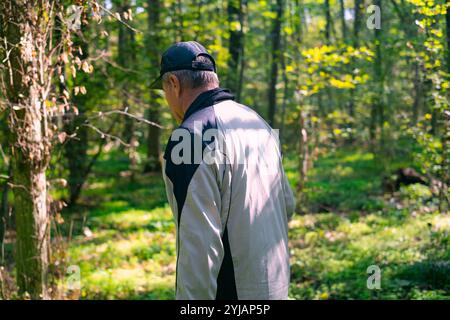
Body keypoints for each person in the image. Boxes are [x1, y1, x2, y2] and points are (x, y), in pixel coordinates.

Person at [151, 41, 295, 300]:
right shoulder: (256, 123)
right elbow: (288, 204)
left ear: (174, 83)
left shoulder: (190, 138)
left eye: (163, 88)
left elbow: (200, 247)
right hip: (276, 287)